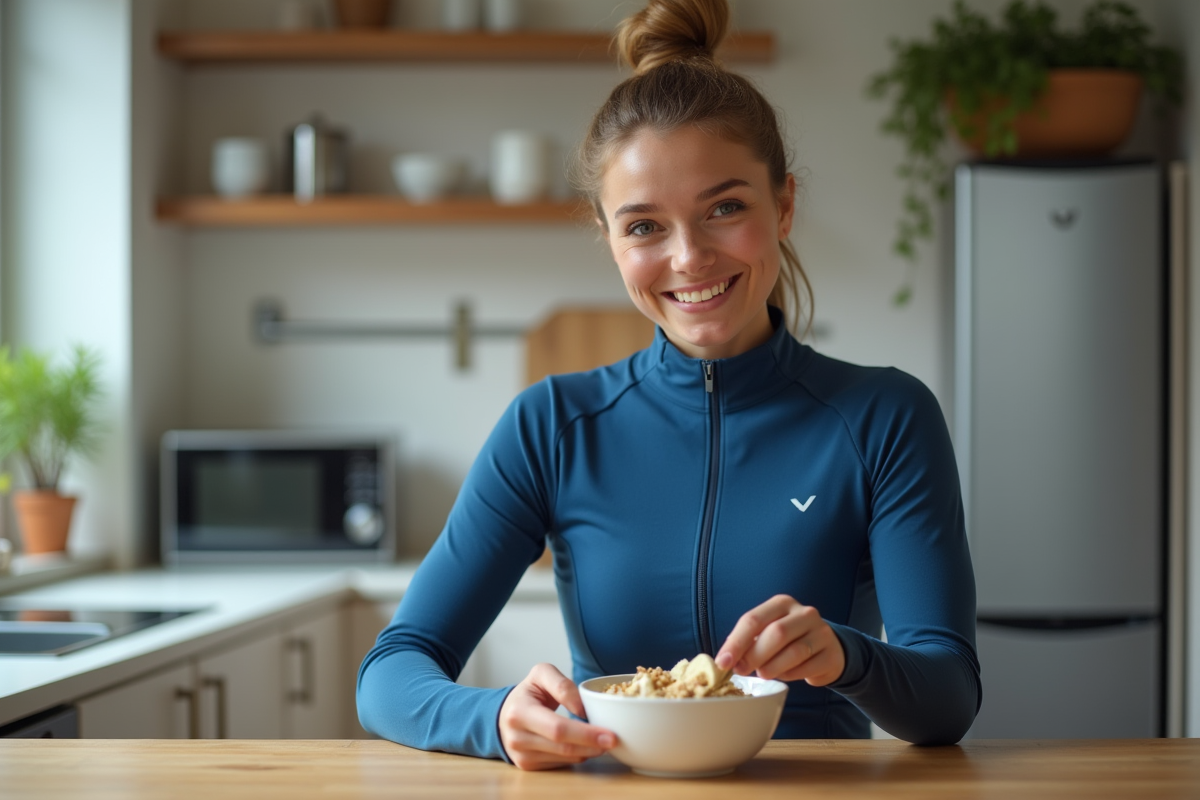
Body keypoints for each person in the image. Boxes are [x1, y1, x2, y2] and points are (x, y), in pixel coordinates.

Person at [357, 0, 980, 770]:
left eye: (725, 207)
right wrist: (495, 720)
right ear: (610, 238)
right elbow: (390, 672)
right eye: (646, 226)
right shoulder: (551, 426)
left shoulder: (885, 417)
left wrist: (846, 656)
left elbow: (948, 697)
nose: (689, 257)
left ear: (783, 205)